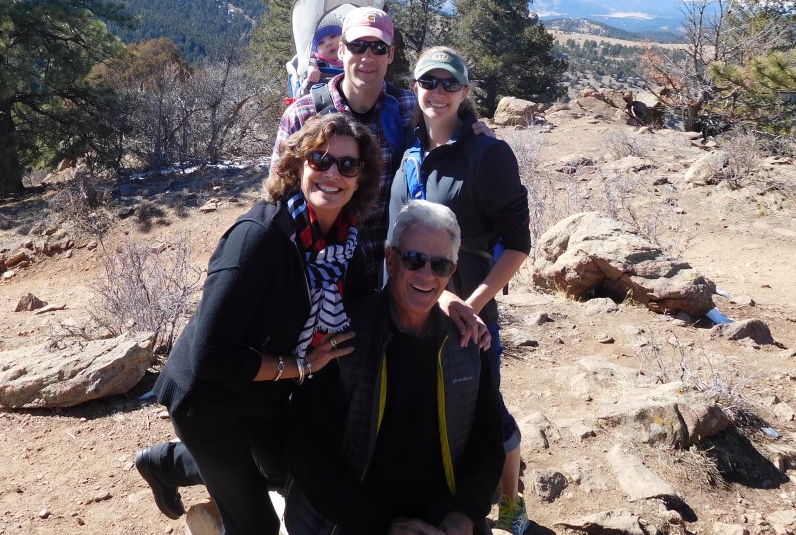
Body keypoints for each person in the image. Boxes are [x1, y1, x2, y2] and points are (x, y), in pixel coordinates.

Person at [134, 114, 381, 534]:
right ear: (297, 165)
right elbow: (209, 357)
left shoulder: (344, 243)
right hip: (207, 400)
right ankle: (186, 463)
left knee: (296, 470)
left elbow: (368, 312)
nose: (332, 173)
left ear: (361, 178)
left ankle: (169, 462)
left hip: (266, 392)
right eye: (319, 160)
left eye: (347, 165)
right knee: (258, 526)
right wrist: (301, 367)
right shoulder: (258, 238)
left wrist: (446, 302)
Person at [285, 200, 505, 535]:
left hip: (442, 517)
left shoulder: (466, 343)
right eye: (414, 260)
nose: (427, 275)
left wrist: (464, 513)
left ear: (452, 271)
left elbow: (487, 441)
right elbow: (310, 456)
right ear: (391, 259)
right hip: (351, 517)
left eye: (441, 265)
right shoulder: (344, 340)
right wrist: (381, 526)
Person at [389, 46, 532, 535]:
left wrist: (469, 306)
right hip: (413, 314)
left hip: (472, 311)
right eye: (430, 82)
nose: (439, 92)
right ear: (415, 88)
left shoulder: (489, 155)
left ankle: (511, 502)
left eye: (450, 84)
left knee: (486, 411)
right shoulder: (408, 153)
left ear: (466, 92)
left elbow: (516, 245)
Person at [274, 6, 492, 287]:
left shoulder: (409, 107)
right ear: (341, 51)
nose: (367, 56)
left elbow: (452, 120)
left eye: (378, 47)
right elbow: (278, 194)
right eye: (357, 46)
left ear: (390, 55)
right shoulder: (303, 115)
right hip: (322, 271)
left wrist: (477, 131)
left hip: (394, 271)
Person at [304, 22, 342, 90]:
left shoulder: (355, 53)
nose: (328, 43)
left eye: (332, 36)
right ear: (317, 51)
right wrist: (312, 66)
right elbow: (308, 59)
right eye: (321, 43)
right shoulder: (318, 63)